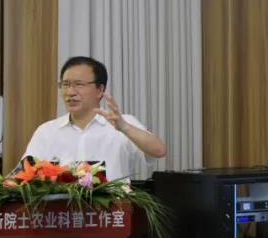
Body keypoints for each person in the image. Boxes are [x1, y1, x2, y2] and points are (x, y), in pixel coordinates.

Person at [20, 56, 166, 181]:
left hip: (113, 205)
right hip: (62, 206)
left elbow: (159, 151)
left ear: (99, 90)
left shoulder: (123, 124)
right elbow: (26, 173)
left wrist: (124, 128)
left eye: (79, 84)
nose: (70, 92)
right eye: (66, 84)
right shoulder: (47, 131)